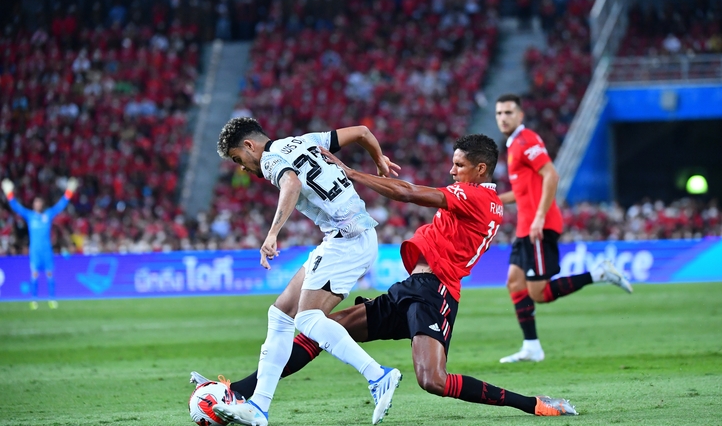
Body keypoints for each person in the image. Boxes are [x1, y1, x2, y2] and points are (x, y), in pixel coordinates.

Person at [195, 134, 578, 418]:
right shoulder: (474, 193)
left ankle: (534, 405)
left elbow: (408, 192)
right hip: (412, 287)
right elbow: (360, 134)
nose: (451, 170)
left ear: (480, 169)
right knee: (319, 329)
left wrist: (350, 172)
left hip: (436, 293)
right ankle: (240, 395)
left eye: (459, 165)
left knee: (433, 381)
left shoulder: (478, 197)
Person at [209, 117, 403, 426]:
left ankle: (378, 375)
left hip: (348, 240)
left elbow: (293, 183)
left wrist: (272, 234)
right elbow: (363, 132)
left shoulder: (271, 160)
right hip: (346, 237)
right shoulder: (305, 139)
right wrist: (378, 158)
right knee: (281, 314)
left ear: (249, 146)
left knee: (309, 319)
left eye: (238, 159)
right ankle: (258, 405)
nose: (243, 168)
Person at [494, 93, 632, 364]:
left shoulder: (527, 140)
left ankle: (599, 273)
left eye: (509, 112)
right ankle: (531, 346)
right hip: (525, 226)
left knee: (540, 294)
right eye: (499, 113)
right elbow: (522, 191)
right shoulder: (513, 145)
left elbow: (551, 175)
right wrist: (492, 200)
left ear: (520, 116)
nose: (503, 118)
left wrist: (539, 217)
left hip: (538, 226)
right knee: (514, 282)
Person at [1, 177, 78, 310]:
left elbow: (60, 205)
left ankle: (52, 299)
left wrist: (69, 191)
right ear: (33, 205)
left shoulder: (47, 215)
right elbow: (16, 207)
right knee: (34, 274)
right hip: (35, 251)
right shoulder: (29, 215)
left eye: (39, 203)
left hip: (46, 250)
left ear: (41, 205)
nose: (37, 205)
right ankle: (34, 299)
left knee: (50, 274)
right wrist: (9, 193)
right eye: (35, 203)